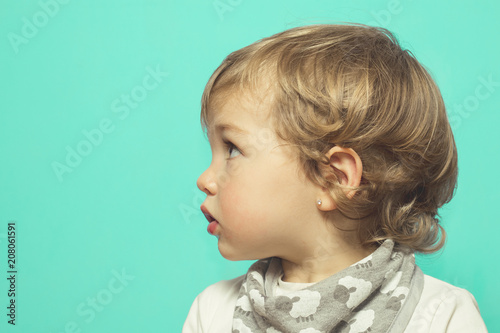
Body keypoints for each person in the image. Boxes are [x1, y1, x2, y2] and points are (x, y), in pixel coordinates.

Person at [183, 23, 488, 332]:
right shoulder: (212, 313)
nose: (205, 179)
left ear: (333, 179)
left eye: (232, 149)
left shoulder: (440, 316)